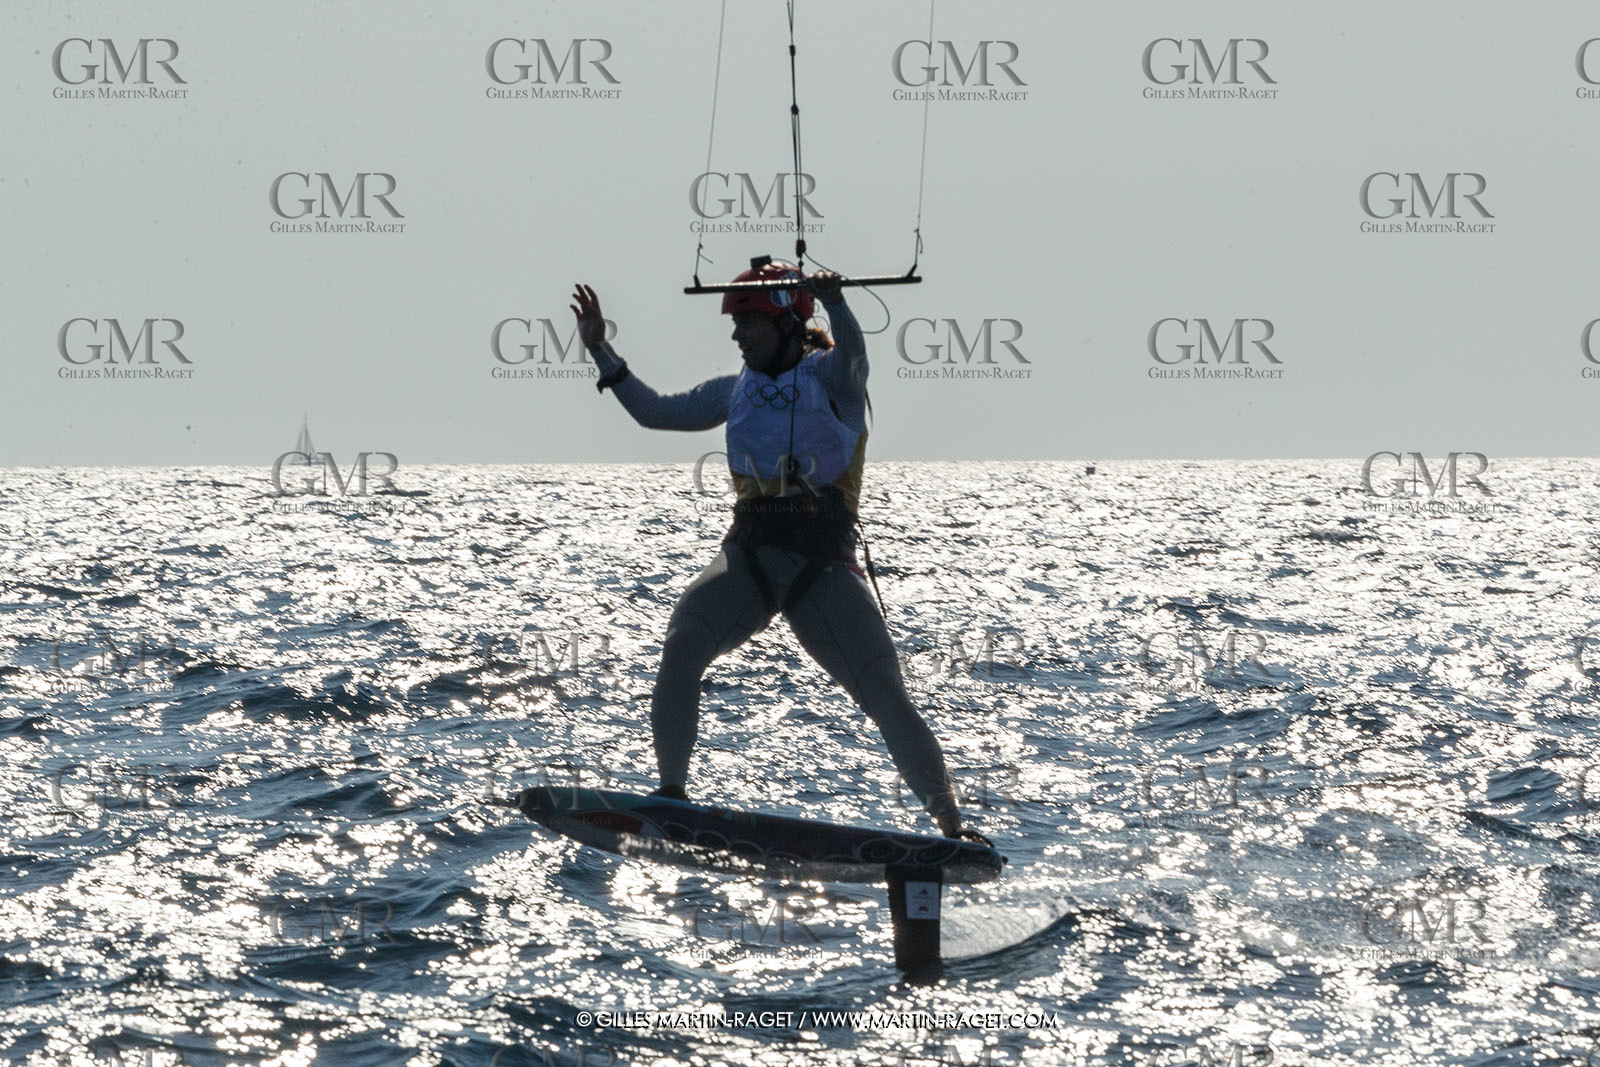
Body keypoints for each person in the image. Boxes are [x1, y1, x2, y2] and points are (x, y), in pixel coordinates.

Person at [570, 256, 987, 844]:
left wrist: (837, 303)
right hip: (749, 561)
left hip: (824, 572)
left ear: (789, 323)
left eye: (748, 325)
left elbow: (857, 356)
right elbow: (655, 412)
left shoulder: (833, 381)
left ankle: (952, 827)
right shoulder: (732, 390)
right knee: (684, 642)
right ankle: (670, 796)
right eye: (735, 327)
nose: (737, 337)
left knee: (884, 693)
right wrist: (600, 351)